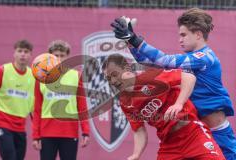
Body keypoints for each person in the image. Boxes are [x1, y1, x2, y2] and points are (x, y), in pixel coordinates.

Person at [110, 8, 236, 160]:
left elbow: (164, 60)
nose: (180, 39)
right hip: (198, 131)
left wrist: (135, 39)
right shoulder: (191, 59)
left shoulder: (204, 57)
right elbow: (152, 65)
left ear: (198, 34)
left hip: (218, 132)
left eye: (183, 35)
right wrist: (129, 42)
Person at [102, 53, 225, 160]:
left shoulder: (151, 77)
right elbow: (139, 130)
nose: (112, 81)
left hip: (192, 133)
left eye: (114, 75)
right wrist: (136, 154)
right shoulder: (125, 102)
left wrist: (179, 104)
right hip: (169, 144)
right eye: (108, 78)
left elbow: (189, 77)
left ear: (127, 68)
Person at [32, 40, 90, 160]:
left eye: (62, 55)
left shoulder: (76, 76)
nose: (58, 58)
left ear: (67, 56)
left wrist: (86, 131)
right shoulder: (40, 78)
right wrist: (35, 136)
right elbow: (37, 110)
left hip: (69, 131)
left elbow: (82, 107)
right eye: (55, 55)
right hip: (47, 132)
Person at [0, 40, 35, 160]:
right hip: (2, 123)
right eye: (20, 51)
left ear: (30, 55)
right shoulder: (2, 71)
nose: (23, 54)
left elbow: (35, 108)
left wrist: (37, 132)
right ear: (14, 54)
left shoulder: (33, 76)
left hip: (20, 127)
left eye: (26, 52)